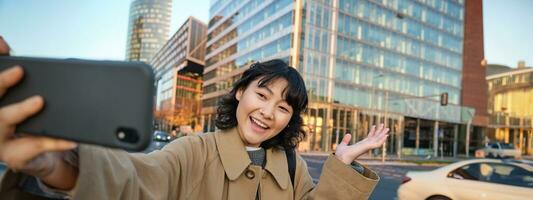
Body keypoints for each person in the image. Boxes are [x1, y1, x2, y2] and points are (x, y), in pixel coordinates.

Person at [0, 37, 390, 199]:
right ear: (240, 92)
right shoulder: (191, 151)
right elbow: (133, 183)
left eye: (284, 107)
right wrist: (57, 164)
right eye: (262, 94)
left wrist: (340, 164)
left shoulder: (293, 166)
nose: (269, 112)